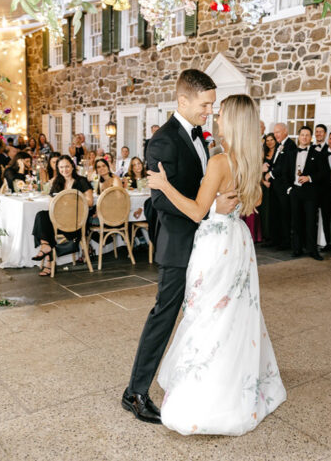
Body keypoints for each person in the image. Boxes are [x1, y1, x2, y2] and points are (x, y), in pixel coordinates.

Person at [144, 93, 285, 436]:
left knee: (207, 314)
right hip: (238, 241)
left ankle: (206, 395)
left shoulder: (221, 161)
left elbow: (195, 210)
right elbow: (254, 203)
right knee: (233, 314)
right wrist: (225, 204)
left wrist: (163, 184)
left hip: (216, 245)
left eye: (221, 114)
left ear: (233, 122)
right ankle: (236, 385)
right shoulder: (251, 161)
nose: (216, 118)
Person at [122, 69, 240, 426]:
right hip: (178, 244)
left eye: (212, 105)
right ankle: (135, 392)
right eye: (205, 105)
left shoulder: (201, 137)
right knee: (165, 314)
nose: (209, 111)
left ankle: (197, 381)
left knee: (202, 313)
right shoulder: (162, 141)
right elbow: (159, 200)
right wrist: (208, 211)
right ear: (183, 100)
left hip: (205, 241)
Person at [30, 155, 94, 277]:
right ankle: (45, 246)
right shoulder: (57, 182)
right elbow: (51, 203)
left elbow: (90, 202)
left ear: (72, 166)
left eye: (67, 166)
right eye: (61, 167)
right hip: (59, 220)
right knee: (41, 215)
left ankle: (48, 261)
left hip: (76, 222)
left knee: (46, 224)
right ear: (58, 168)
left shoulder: (81, 181)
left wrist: (71, 199)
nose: (64, 170)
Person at [273, 125, 324, 260]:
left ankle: (312, 250)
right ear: (299, 136)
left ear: (310, 137)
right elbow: (284, 174)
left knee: (311, 222)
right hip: (295, 192)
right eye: (302, 135)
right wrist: (289, 189)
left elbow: (323, 173)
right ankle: (297, 249)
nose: (304, 137)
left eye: (307, 135)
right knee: (296, 222)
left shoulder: (317, 153)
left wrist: (309, 178)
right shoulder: (291, 153)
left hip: (310, 193)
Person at [267, 122, 296, 250]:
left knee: (284, 214)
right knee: (274, 213)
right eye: (275, 132)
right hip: (275, 185)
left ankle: (285, 242)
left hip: (284, 186)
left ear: (285, 131)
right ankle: (274, 239)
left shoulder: (290, 145)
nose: (276, 135)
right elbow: (276, 162)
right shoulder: (279, 145)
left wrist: (271, 174)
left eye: (278, 132)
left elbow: (285, 166)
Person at [259, 133, 279, 246]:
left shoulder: (278, 153)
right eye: (267, 140)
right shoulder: (263, 154)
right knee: (265, 211)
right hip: (264, 186)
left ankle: (273, 235)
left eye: (272, 140)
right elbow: (257, 169)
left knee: (273, 210)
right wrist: (263, 181)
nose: (270, 142)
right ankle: (266, 235)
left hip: (275, 186)